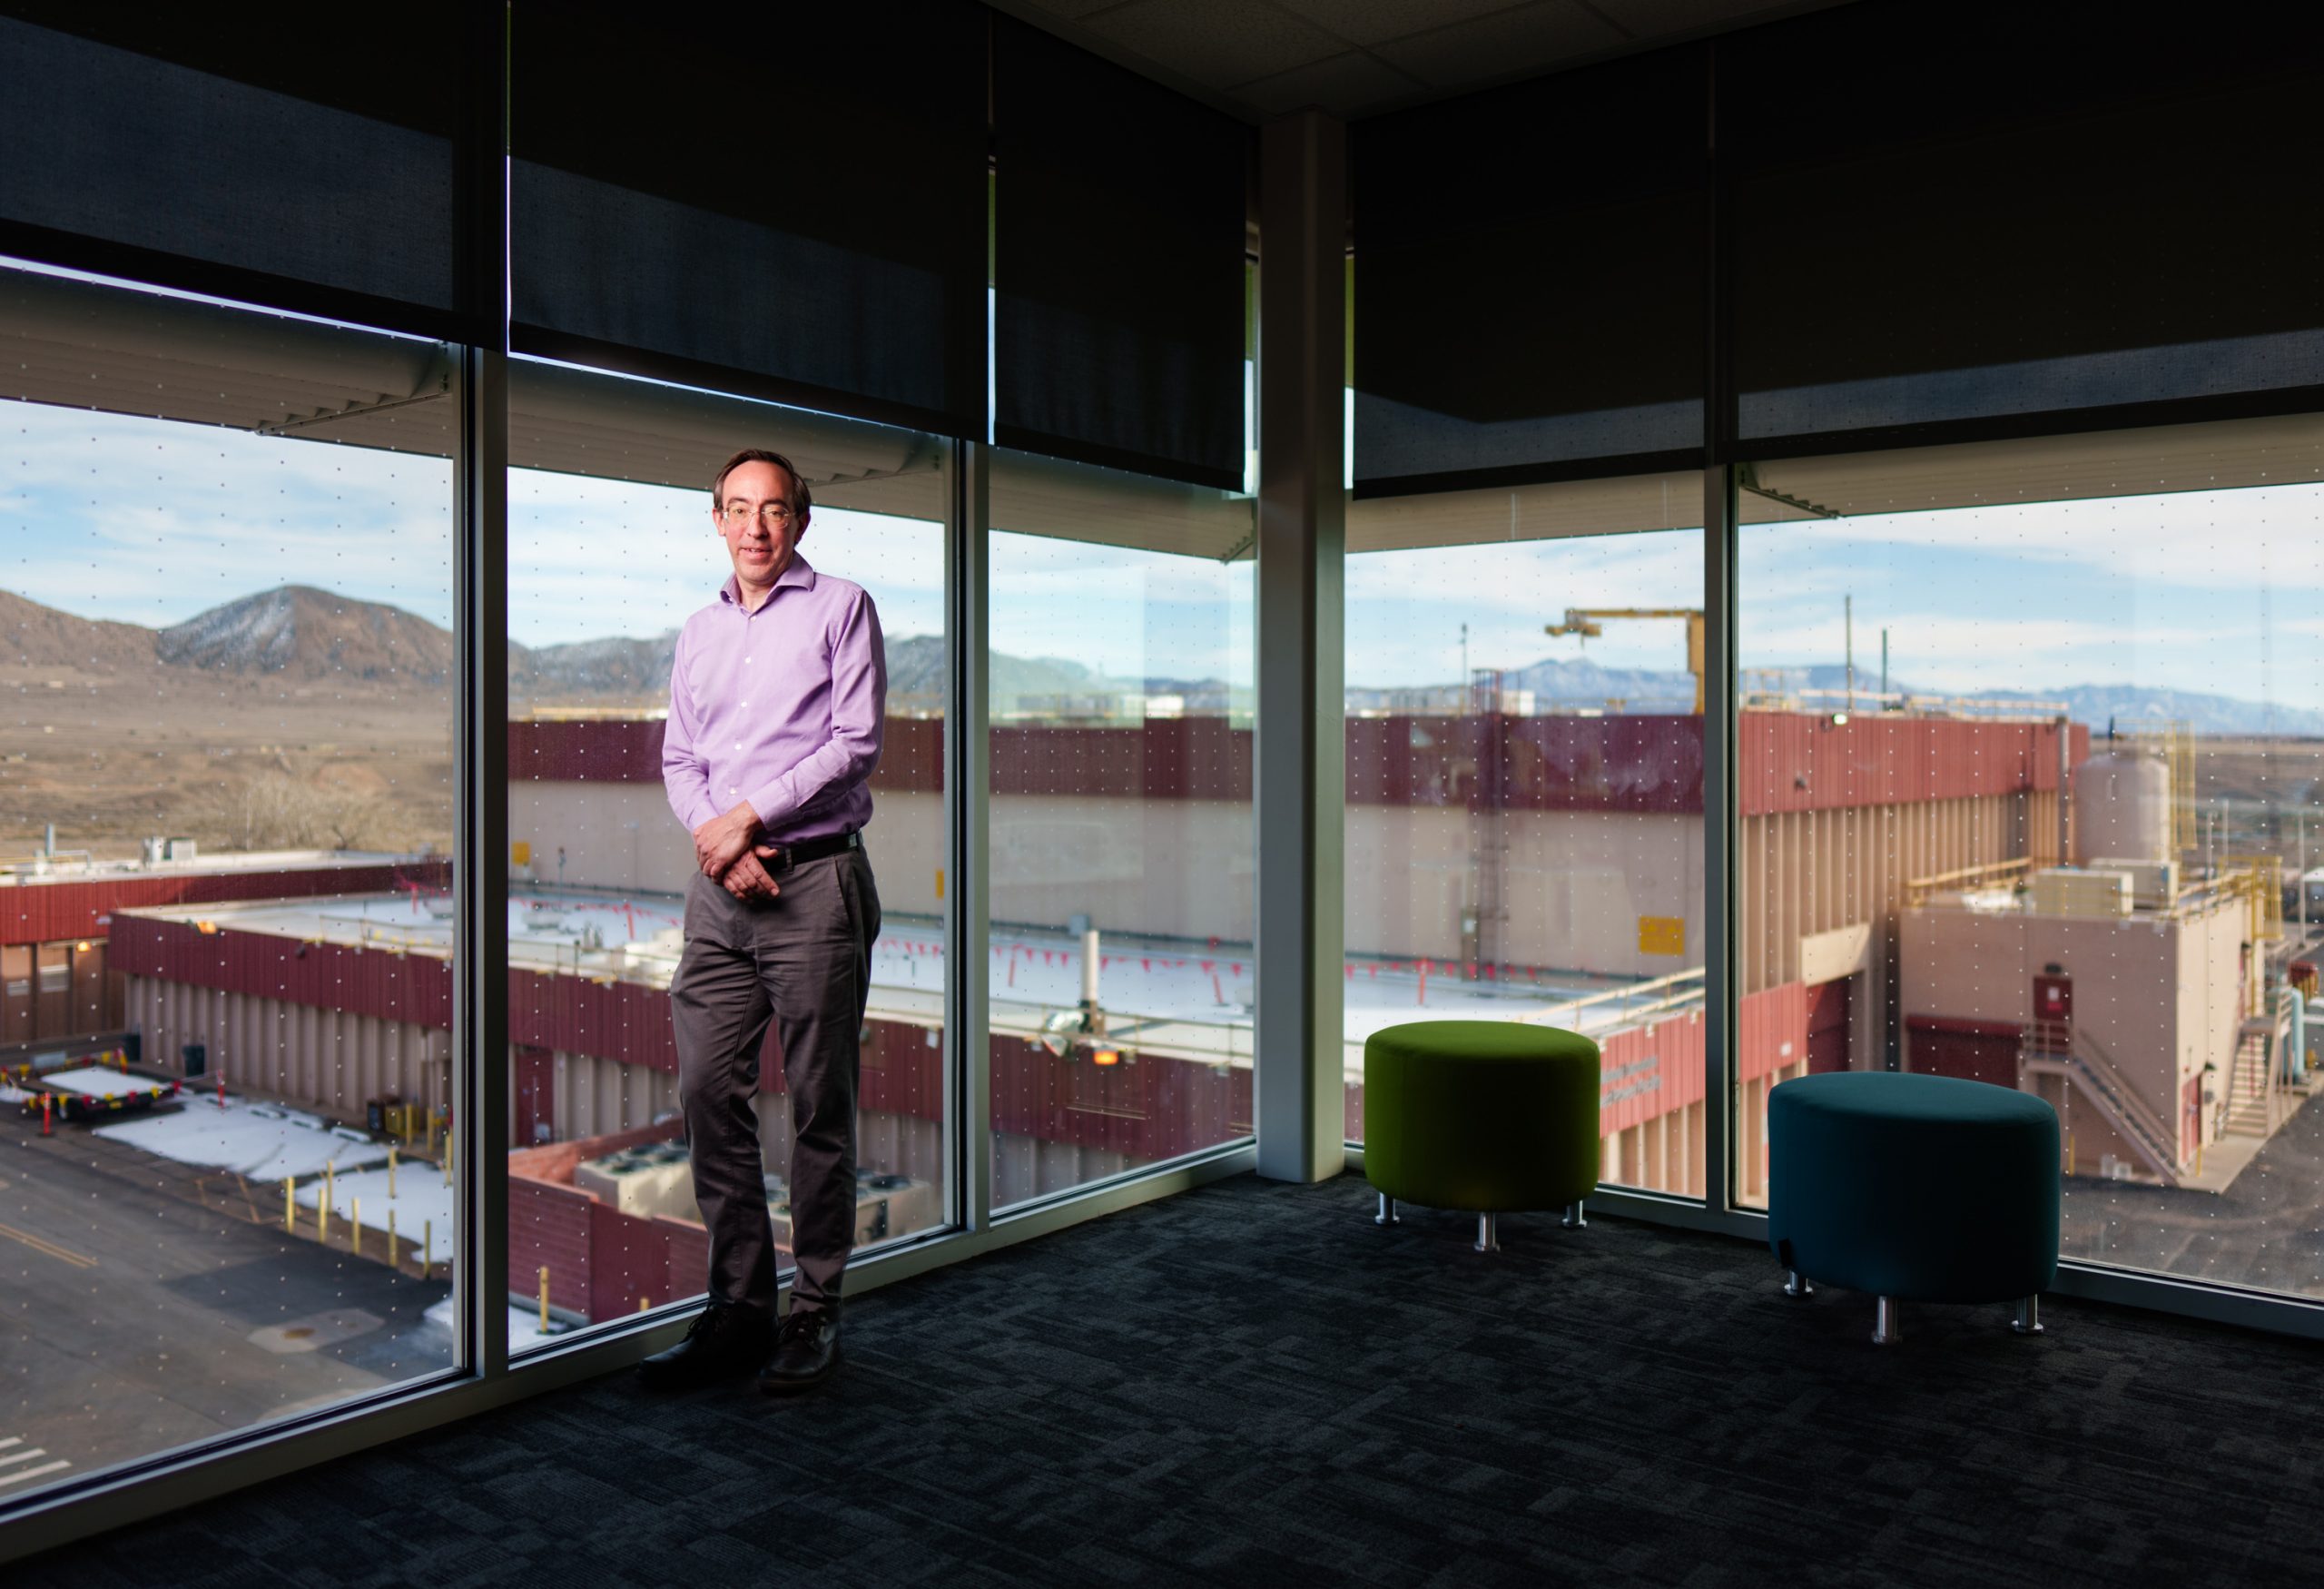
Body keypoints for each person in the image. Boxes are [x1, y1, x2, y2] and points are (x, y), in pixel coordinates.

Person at [638, 447, 885, 1394]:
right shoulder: (699, 630)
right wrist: (718, 838)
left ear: (800, 522)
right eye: (737, 509)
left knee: (820, 1109)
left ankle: (812, 1313)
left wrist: (749, 817)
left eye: (773, 510)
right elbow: (679, 756)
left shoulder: (840, 608)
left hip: (814, 886)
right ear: (715, 520)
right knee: (708, 1093)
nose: (755, 527)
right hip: (720, 894)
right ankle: (739, 1307)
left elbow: (853, 744)